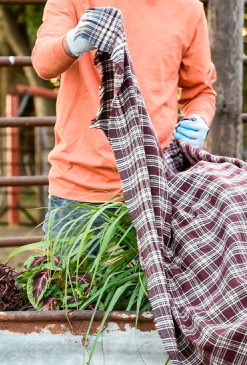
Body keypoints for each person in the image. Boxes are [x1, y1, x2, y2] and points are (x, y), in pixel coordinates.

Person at [31, 0, 217, 238]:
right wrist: (73, 41)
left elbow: (200, 90)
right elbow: (44, 62)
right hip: (79, 192)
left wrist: (199, 120)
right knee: (68, 277)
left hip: (155, 188)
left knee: (154, 277)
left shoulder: (189, 8)